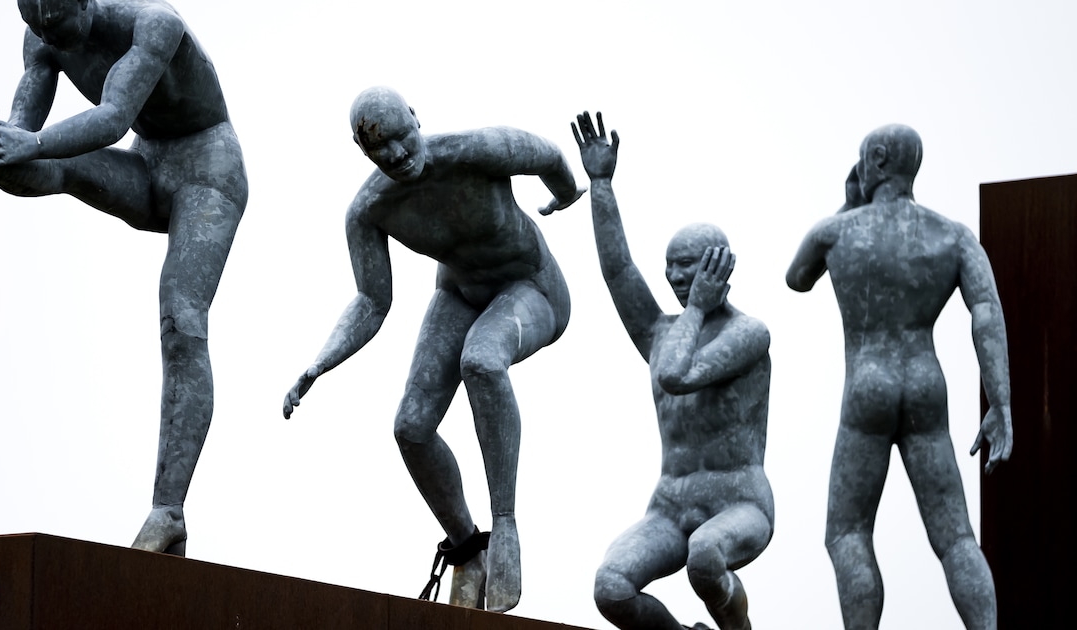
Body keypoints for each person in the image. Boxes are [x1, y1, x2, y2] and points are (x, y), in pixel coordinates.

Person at [0, 0, 248, 556]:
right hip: (146, 165)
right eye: (37, 27)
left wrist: (25, 143)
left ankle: (167, 511)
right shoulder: (41, 38)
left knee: (181, 317)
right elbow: (26, 133)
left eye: (57, 23)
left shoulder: (154, 23)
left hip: (209, 170)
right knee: (43, 164)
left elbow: (113, 117)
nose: (48, 35)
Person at [282, 86, 583, 612]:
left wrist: (567, 194)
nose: (396, 155)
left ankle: (506, 526)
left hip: (531, 286)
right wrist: (317, 365)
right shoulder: (369, 211)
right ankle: (468, 549)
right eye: (380, 150)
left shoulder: (475, 150)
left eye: (400, 137)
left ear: (416, 119)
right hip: (459, 293)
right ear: (365, 154)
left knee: (482, 359)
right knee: (411, 428)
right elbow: (372, 302)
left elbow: (549, 155)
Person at [786, 124, 1012, 630]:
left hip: (868, 385)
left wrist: (846, 205)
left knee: (847, 533)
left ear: (878, 159)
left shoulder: (838, 231)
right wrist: (1001, 404)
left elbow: (796, 278)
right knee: (955, 538)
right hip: (925, 383)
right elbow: (986, 314)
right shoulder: (951, 235)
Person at [572, 111, 773, 630]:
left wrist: (699, 308)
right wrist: (600, 185)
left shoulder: (749, 334)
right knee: (611, 586)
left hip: (739, 502)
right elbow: (618, 271)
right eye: (673, 267)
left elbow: (677, 376)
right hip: (670, 505)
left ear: (723, 265)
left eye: (694, 264)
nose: (680, 277)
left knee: (705, 558)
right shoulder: (662, 332)